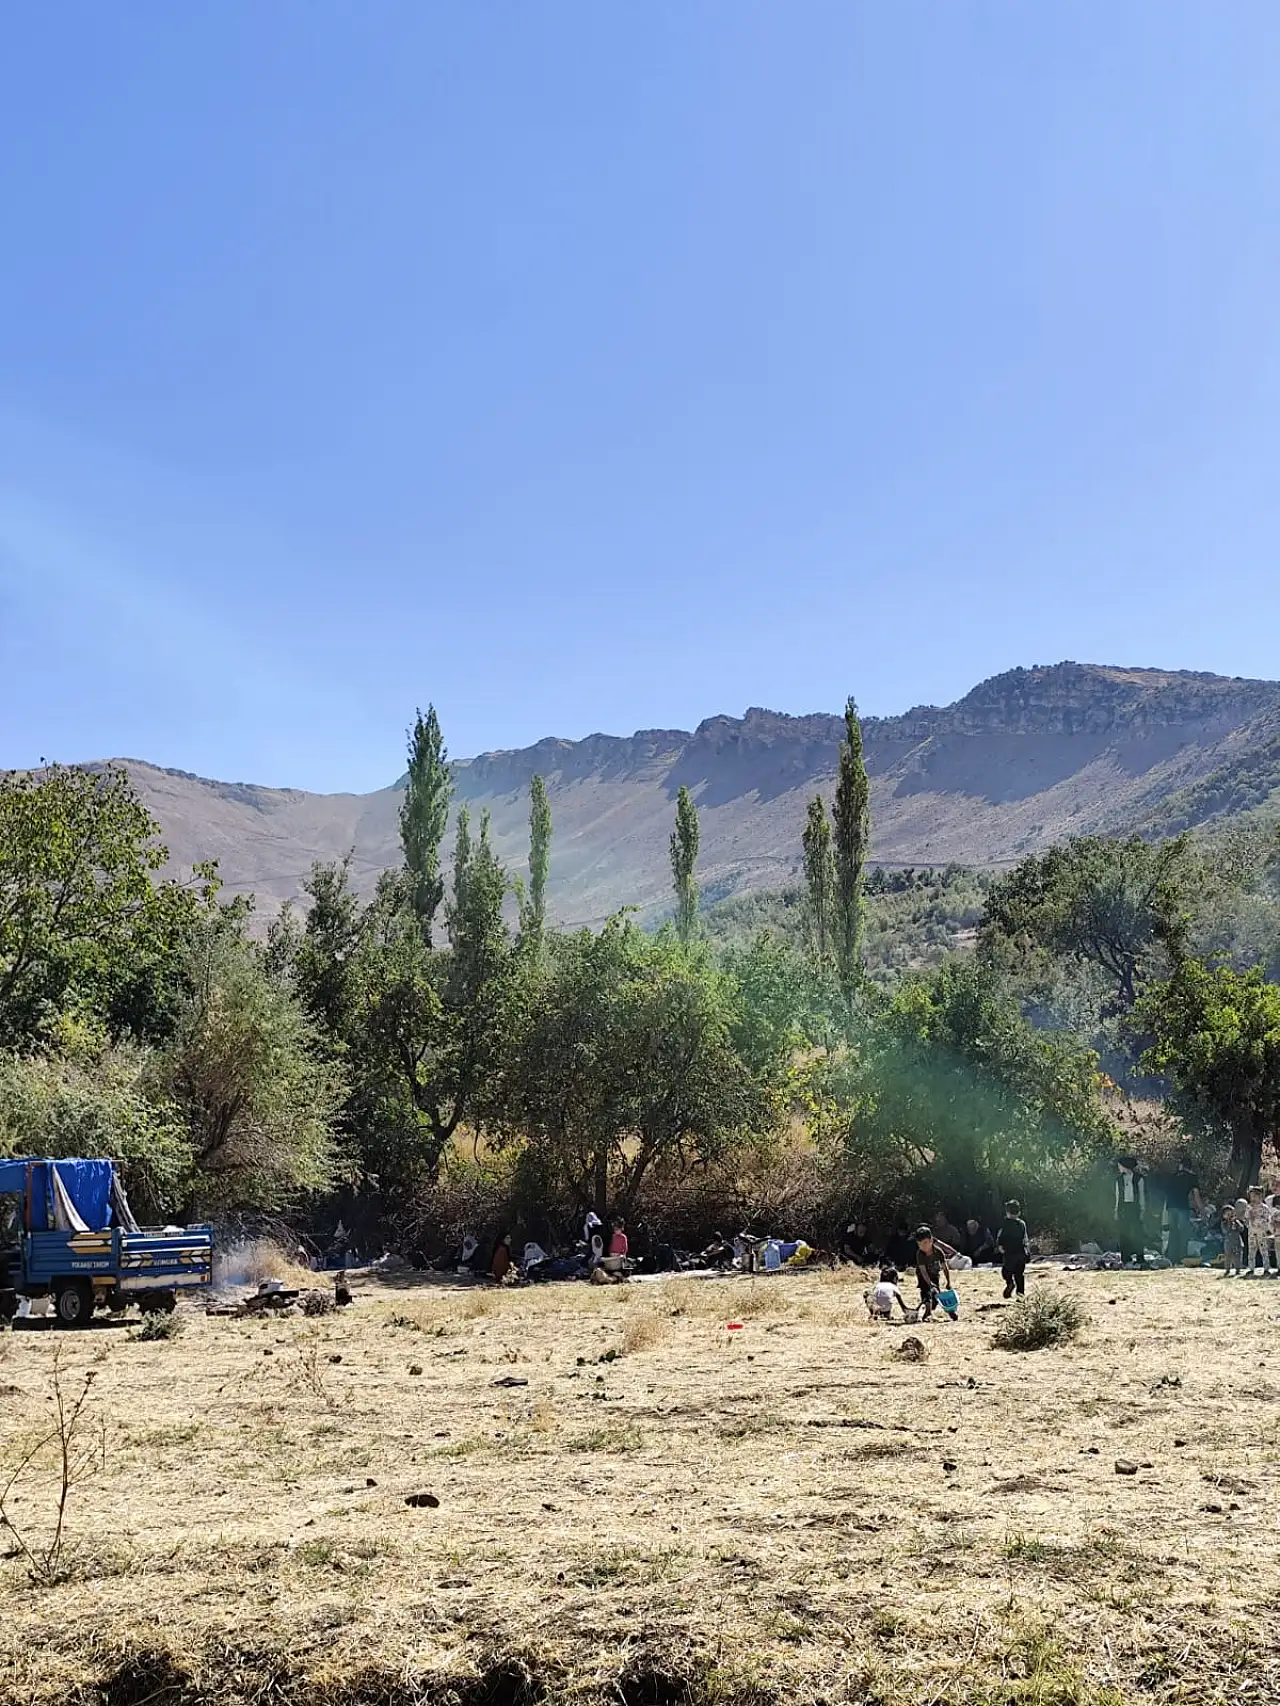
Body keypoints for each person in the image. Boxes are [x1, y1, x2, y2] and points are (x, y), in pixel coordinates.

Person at [1165, 1161, 1203, 1265]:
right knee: (1183, 1233)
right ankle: (1182, 1258)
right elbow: (1196, 1195)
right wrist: (1202, 1209)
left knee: (1173, 1232)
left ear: (1180, 1166)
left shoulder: (1172, 1176)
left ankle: (1171, 1258)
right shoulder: (1192, 1177)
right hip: (1182, 1206)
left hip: (1170, 1206)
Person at [914, 1226, 956, 1320]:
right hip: (923, 1276)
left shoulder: (938, 1252)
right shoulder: (920, 1254)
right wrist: (929, 1283)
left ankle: (947, 1310)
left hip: (934, 1275)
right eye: (920, 1244)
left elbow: (945, 1267)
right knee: (925, 1292)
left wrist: (948, 1282)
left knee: (936, 1295)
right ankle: (927, 1309)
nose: (923, 1247)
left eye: (925, 1243)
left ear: (931, 1240)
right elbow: (923, 1271)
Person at [1114, 1157, 1146, 1266]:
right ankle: (1125, 1257)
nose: (1118, 1168)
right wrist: (1116, 1210)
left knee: (1137, 1233)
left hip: (1135, 1208)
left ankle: (1140, 1256)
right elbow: (1118, 1196)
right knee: (1124, 1233)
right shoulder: (1118, 1180)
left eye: (1120, 1165)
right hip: (1123, 1208)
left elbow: (1142, 1195)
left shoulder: (1139, 1179)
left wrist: (1142, 1210)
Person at [995, 1199, 1030, 1298]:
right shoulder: (1022, 1224)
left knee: (1006, 1272)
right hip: (1021, 1252)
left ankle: (1010, 1283)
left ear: (1007, 1212)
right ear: (1019, 1212)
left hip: (1009, 1253)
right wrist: (1027, 1251)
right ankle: (1020, 1295)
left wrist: (1000, 1246)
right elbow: (1025, 1238)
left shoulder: (1005, 1224)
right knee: (1019, 1274)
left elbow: (1001, 1236)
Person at [1244, 1187, 1275, 1277]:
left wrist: (1257, 1220)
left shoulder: (1264, 1207)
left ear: (1260, 1197)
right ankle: (1251, 1268)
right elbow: (1246, 1218)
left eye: (1255, 1196)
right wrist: (1249, 1221)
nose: (1253, 1198)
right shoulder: (1249, 1207)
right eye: (1251, 1196)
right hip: (1251, 1232)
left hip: (1261, 1232)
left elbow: (1267, 1220)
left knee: (1264, 1250)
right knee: (1251, 1250)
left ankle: (1266, 1268)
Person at [1220, 1205, 1244, 1278]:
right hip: (1228, 1242)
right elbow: (1225, 1231)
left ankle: (1238, 1269)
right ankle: (1227, 1269)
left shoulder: (1236, 1222)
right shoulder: (1223, 1223)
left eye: (1231, 1214)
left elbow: (1242, 1229)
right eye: (1228, 1214)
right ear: (1224, 1215)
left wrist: (1237, 1223)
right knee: (1228, 1256)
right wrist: (1229, 1223)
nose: (1230, 1216)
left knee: (1238, 1256)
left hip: (1237, 1241)